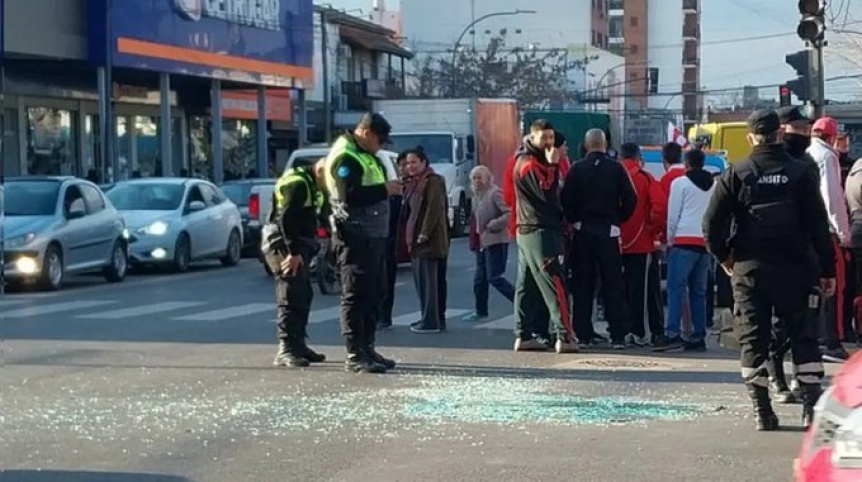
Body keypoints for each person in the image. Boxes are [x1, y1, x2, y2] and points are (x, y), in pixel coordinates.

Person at [703, 109, 836, 430]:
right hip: (797, 269)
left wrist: (725, 258)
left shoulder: (737, 172)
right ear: (779, 134)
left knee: (753, 340)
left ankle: (763, 412)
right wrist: (828, 270)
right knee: (804, 338)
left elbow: (711, 224)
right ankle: (809, 410)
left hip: (750, 271)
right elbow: (819, 225)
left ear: (751, 137)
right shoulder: (801, 172)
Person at [324, 112, 404, 374]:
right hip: (355, 235)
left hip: (373, 235)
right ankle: (355, 353)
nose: (381, 145)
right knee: (356, 294)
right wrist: (385, 189)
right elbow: (350, 194)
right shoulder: (346, 156)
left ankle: (368, 347)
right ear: (366, 133)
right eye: (379, 140)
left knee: (374, 293)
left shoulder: (367, 154)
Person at [562, 129, 637, 349]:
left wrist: (575, 218)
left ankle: (583, 333)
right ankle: (617, 335)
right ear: (605, 145)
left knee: (582, 285)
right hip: (609, 233)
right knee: (613, 285)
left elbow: (566, 200)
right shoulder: (617, 169)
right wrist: (617, 219)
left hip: (583, 232)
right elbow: (631, 199)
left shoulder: (576, 169)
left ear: (586, 145)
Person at [512, 119, 577, 353]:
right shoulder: (530, 164)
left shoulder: (528, 160)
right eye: (544, 138)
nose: (549, 143)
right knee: (555, 284)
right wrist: (552, 166)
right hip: (540, 230)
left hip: (529, 229)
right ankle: (564, 336)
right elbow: (546, 195)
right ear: (533, 137)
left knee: (526, 285)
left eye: (551, 138)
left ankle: (523, 334)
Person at [261, 159, 328, 368]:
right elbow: (286, 219)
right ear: (321, 172)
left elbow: (320, 214)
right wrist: (294, 252)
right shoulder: (298, 183)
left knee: (303, 293)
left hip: (299, 242)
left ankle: (299, 345)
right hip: (281, 242)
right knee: (290, 292)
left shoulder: (314, 183)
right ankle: (286, 349)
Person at [654, 149, 714, 352]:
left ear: (686, 165)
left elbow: (673, 214)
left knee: (675, 289)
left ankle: (673, 333)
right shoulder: (713, 185)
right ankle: (698, 336)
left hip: (683, 240)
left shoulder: (680, 183)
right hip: (704, 242)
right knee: (699, 291)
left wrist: (669, 239)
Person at [808, 116, 851, 362]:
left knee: (813, 287)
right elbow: (833, 198)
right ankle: (831, 342)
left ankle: (815, 337)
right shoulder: (828, 157)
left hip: (807, 233)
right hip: (827, 231)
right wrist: (842, 233)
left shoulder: (805, 155)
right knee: (835, 285)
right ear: (831, 136)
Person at [619, 142, 665, 347]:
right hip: (641, 241)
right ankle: (640, 331)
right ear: (638, 157)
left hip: (613, 241)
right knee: (642, 291)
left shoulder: (613, 175)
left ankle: (619, 330)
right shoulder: (645, 178)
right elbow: (659, 207)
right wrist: (654, 229)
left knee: (616, 289)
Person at [401, 148, 450, 333]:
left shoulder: (432, 181)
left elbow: (434, 208)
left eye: (414, 162)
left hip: (429, 242)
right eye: (407, 163)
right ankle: (434, 318)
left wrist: (424, 233)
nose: (410, 166)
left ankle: (430, 321)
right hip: (417, 240)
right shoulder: (412, 183)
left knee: (429, 283)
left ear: (424, 163)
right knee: (426, 282)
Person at [463, 165, 515, 322]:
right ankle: (480, 310)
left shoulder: (494, 193)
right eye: (474, 178)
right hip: (481, 242)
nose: (477, 181)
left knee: (494, 277)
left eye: (480, 177)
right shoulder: (476, 195)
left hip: (496, 241)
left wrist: (495, 224)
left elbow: (510, 212)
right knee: (480, 279)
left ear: (488, 178)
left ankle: (521, 303)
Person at [377, 152, 406, 331]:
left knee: (386, 280)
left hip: (390, 242)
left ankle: (384, 316)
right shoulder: (377, 195)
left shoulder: (397, 197)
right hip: (374, 241)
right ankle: (378, 316)